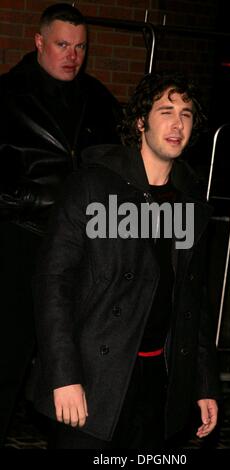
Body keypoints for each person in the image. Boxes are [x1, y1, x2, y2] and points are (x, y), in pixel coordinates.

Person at [32, 71, 220, 449]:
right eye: (166, 110)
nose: (177, 123)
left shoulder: (190, 201)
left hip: (159, 380)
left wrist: (202, 384)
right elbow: (54, 283)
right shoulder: (93, 185)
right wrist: (63, 376)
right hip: (94, 375)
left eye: (186, 114)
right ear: (140, 122)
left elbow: (192, 303)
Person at [0, 3, 121, 447]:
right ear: (38, 42)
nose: (73, 55)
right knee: (9, 354)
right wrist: (36, 201)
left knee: (76, 358)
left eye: (81, 47)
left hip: (82, 249)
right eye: (62, 44)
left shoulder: (98, 99)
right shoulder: (7, 95)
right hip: (22, 240)